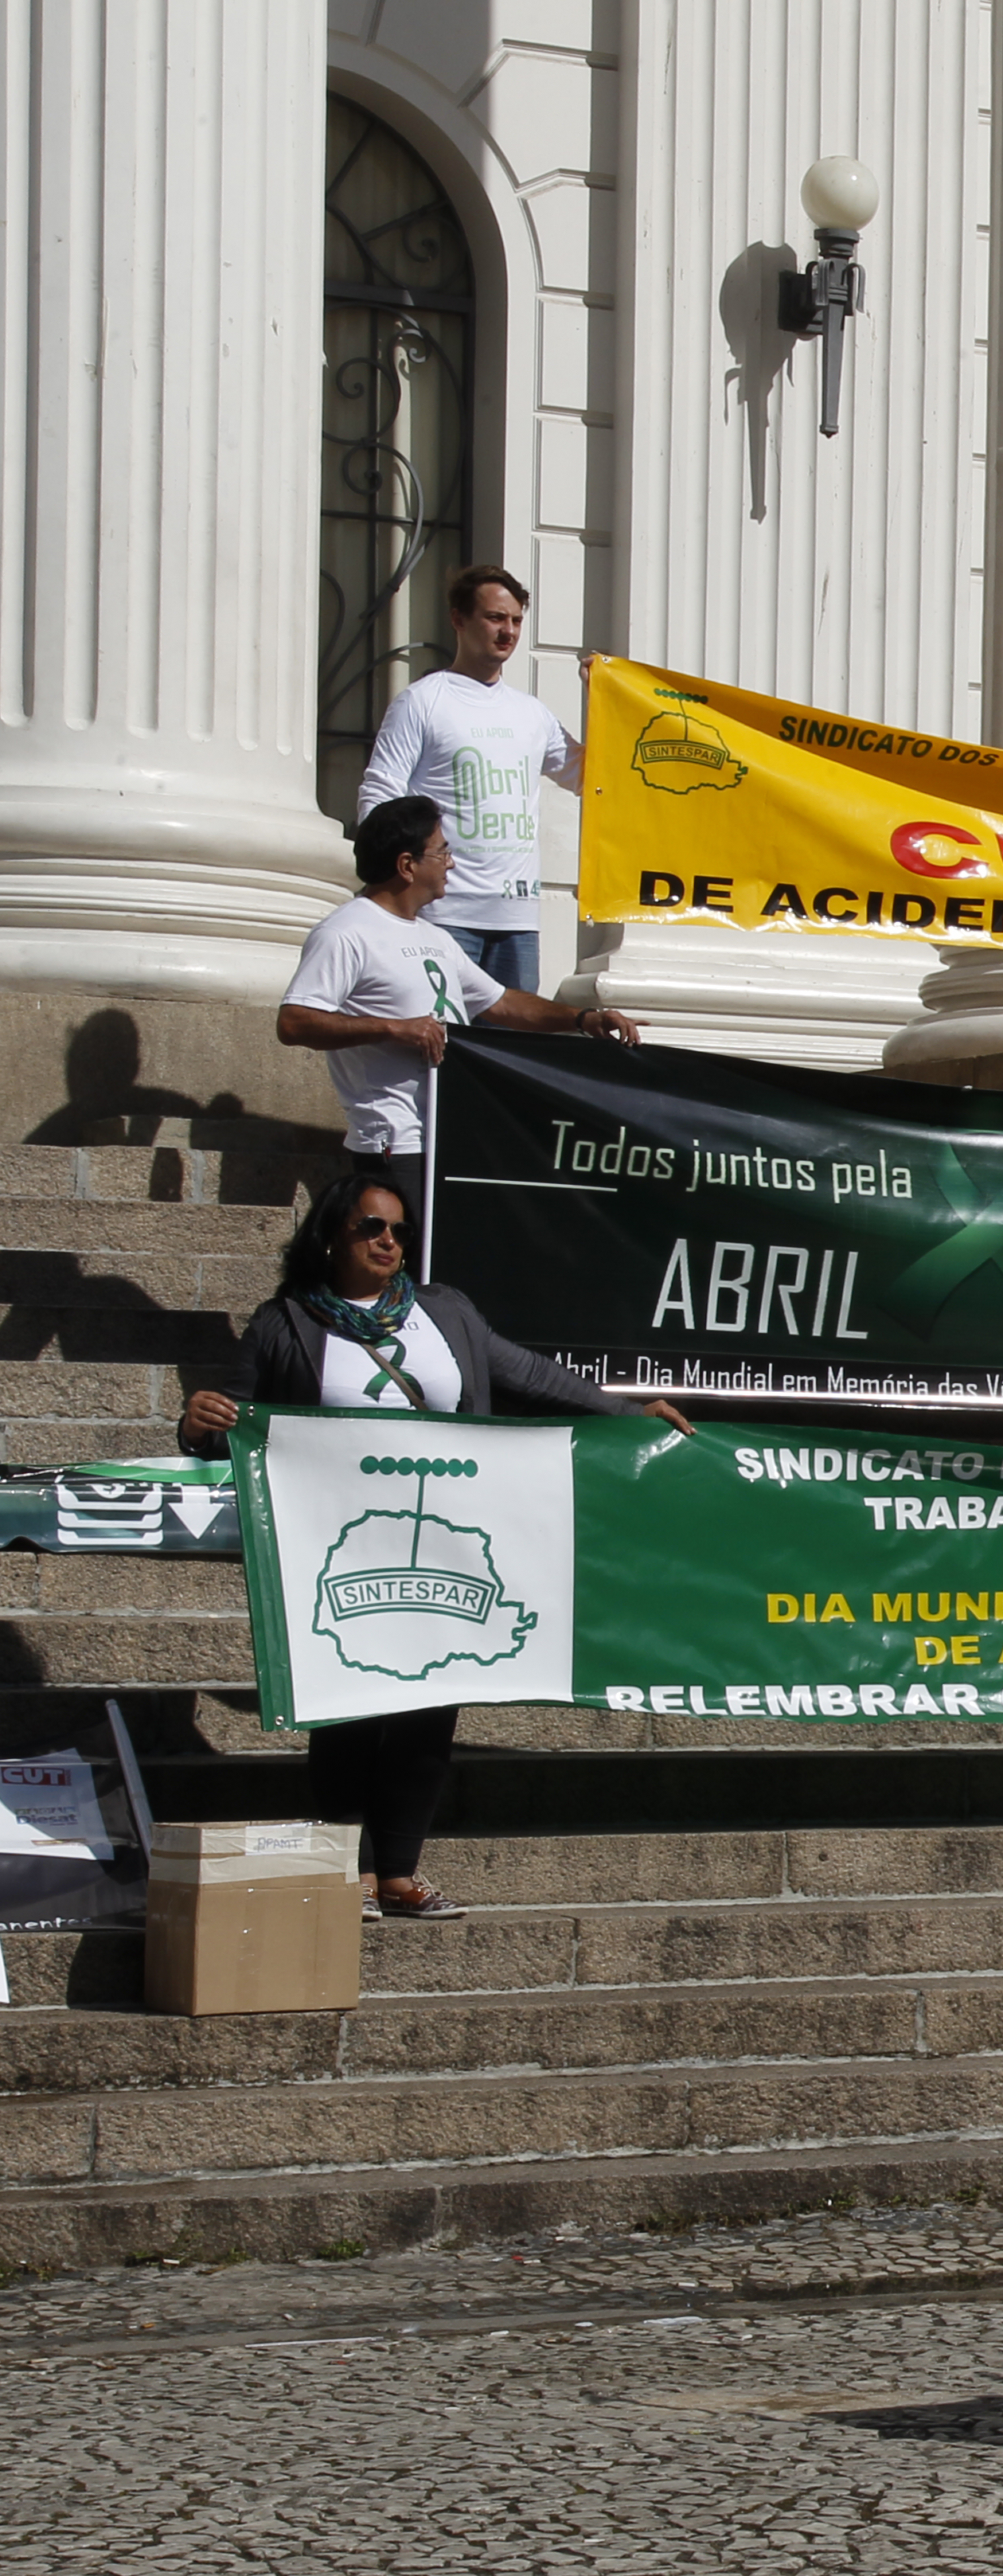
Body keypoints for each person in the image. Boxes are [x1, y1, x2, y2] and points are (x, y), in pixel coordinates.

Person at [176, 1175, 691, 1918]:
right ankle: (346, 1869)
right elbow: (232, 1427)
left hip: (451, 1539)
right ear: (331, 1237)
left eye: (398, 1229)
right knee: (347, 1707)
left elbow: (530, 1376)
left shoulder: (444, 1313)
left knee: (430, 1705)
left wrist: (624, 1412)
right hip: (339, 1547)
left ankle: (400, 1873)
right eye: (370, 1228)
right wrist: (197, 1425)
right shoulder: (283, 1324)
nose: (389, 1242)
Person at [281, 797, 642, 1254]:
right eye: (442, 851)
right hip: (396, 1141)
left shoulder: (436, 937)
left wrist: (582, 1019)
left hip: (454, 1133)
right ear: (407, 865)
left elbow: (503, 1003)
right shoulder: (345, 933)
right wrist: (394, 1029)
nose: (452, 863)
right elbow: (295, 1022)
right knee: (406, 1268)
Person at [354, 564, 588, 996]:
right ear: (459, 620)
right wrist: (390, 886)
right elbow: (381, 792)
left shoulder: (531, 713)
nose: (509, 632)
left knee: (509, 1052)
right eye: (496, 618)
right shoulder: (422, 701)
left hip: (516, 920)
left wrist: (604, 700)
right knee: (441, 1043)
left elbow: (590, 777)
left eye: (516, 620)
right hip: (442, 914)